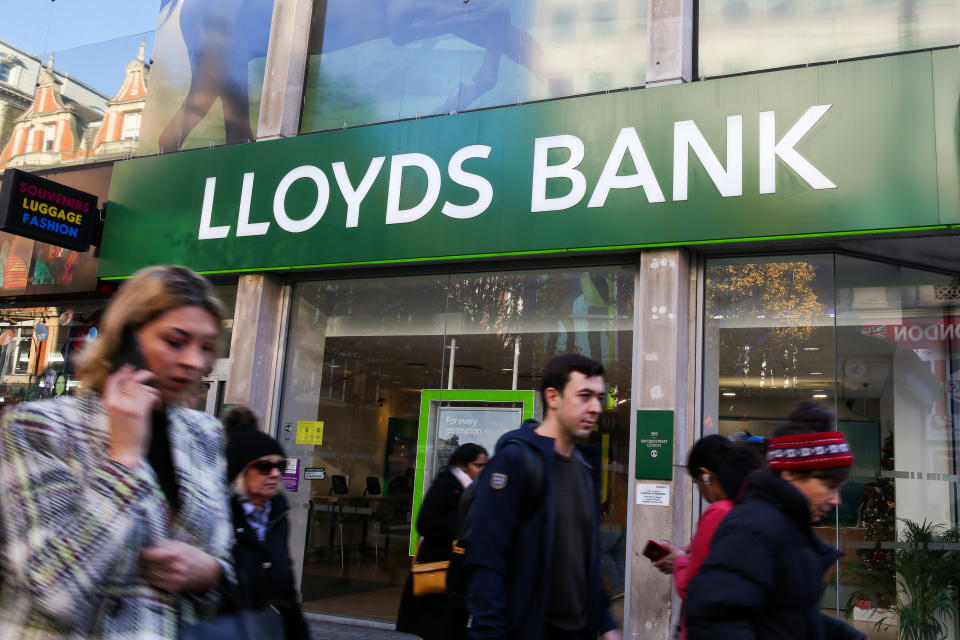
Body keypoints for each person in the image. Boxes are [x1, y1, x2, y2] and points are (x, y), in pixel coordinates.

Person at [0, 265, 233, 638]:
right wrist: (123, 459)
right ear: (127, 340)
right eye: (175, 341)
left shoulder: (205, 434)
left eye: (206, 347)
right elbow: (54, 589)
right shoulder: (38, 427)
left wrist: (208, 573)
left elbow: (222, 557)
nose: (194, 360)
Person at [466, 354, 621, 640]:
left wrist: (606, 622)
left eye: (599, 397)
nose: (595, 407)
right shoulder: (514, 461)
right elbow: (487, 561)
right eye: (584, 396)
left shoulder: (584, 467)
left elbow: (586, 557)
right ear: (553, 397)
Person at [685, 402, 865, 640]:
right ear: (791, 473)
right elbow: (714, 619)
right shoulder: (753, 526)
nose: (836, 500)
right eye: (829, 486)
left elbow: (790, 617)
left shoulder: (784, 524)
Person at [651, 435, 761, 638]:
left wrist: (678, 562)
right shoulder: (746, 506)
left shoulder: (718, 512)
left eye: (695, 482)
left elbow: (691, 586)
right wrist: (688, 553)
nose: (699, 489)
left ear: (705, 476)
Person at [224, 405, 309, 640]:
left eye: (279, 466)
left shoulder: (277, 514)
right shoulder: (221, 517)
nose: (274, 473)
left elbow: (287, 590)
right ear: (241, 471)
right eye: (264, 466)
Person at [396, 442, 488, 640]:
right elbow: (424, 524)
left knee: (453, 624)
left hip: (457, 572)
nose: (482, 470)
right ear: (463, 465)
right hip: (438, 567)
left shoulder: (472, 491)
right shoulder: (446, 486)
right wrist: (459, 517)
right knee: (440, 625)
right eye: (478, 465)